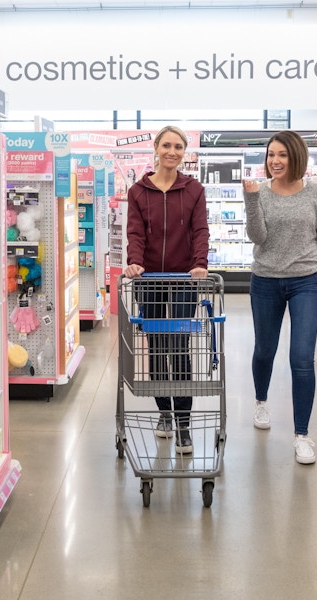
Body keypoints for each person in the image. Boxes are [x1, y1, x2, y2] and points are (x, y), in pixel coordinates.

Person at [242, 130, 317, 465]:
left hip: (306, 282)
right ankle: (261, 402)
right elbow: (258, 236)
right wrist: (251, 200)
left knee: (302, 358)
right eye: (271, 155)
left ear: (296, 156)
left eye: (281, 154)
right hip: (265, 278)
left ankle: (302, 435)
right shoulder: (261, 193)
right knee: (265, 349)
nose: (275, 161)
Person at [124, 125, 209, 455]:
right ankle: (164, 414)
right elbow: (136, 233)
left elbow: (200, 229)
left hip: (184, 280)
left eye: (179, 147)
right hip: (149, 280)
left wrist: (199, 263)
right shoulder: (138, 192)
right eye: (167, 145)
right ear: (156, 148)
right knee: (157, 347)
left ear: (183, 152)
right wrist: (134, 262)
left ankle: (184, 424)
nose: (172, 151)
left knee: (180, 346)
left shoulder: (193, 189)